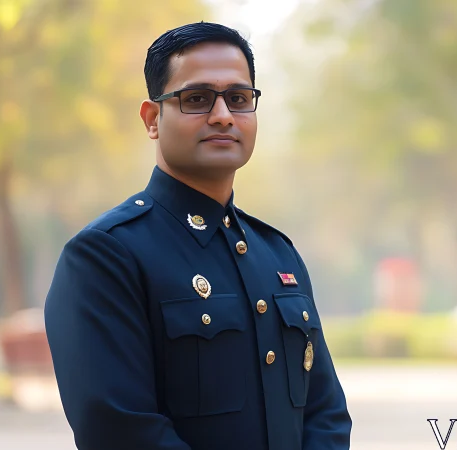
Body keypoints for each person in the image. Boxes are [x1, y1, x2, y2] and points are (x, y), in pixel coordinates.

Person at [43, 21, 353, 450]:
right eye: (197, 99)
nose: (223, 115)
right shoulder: (106, 256)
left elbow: (326, 412)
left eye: (239, 99)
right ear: (153, 119)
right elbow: (119, 430)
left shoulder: (277, 254)